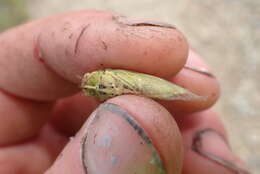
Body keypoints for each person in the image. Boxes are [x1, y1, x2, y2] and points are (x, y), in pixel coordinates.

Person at [0, 10, 250, 174]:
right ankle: (187, 95)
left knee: (165, 96)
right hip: (139, 91)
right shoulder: (101, 81)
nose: (87, 85)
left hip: (141, 86)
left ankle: (187, 95)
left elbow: (114, 87)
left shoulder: (103, 79)